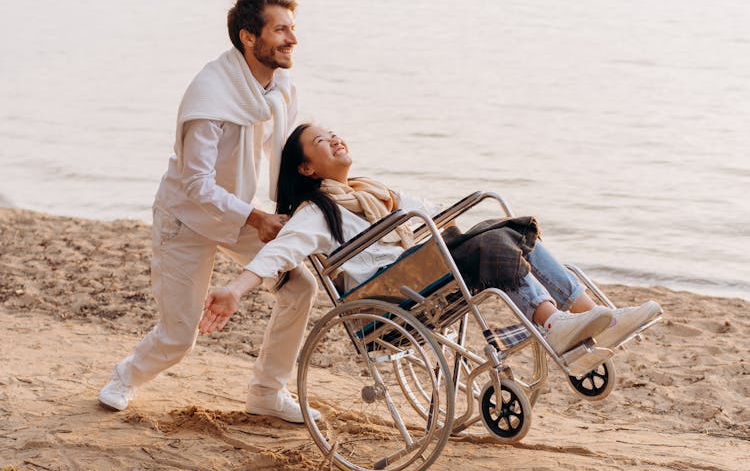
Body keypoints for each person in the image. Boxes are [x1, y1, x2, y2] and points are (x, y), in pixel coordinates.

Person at [198, 124, 661, 357]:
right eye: (322, 141)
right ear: (306, 169)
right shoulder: (318, 211)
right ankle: (552, 323)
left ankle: (593, 318)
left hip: (420, 269)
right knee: (491, 244)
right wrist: (234, 290)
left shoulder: (373, 193)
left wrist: (451, 222)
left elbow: (432, 212)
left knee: (513, 231)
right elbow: (282, 251)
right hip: (392, 292)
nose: (335, 139)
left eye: (334, 133)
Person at [98, 0, 318, 423]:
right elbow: (197, 184)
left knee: (299, 286)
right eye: (281, 30)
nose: (293, 38)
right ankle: (125, 376)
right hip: (187, 218)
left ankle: (266, 392)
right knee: (179, 336)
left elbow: (282, 148)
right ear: (248, 38)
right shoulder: (211, 95)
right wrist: (257, 217)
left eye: (294, 29)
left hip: (238, 211)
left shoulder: (281, 84)